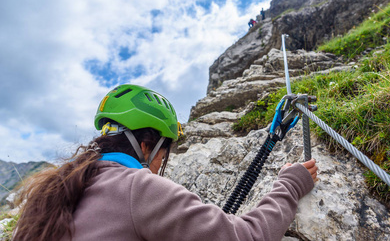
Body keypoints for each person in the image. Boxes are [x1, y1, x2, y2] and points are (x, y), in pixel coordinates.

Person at [13, 84, 318, 241]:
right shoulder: (137, 188)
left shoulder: (50, 194)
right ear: (147, 146)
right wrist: (290, 185)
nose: (160, 164)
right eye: (164, 153)